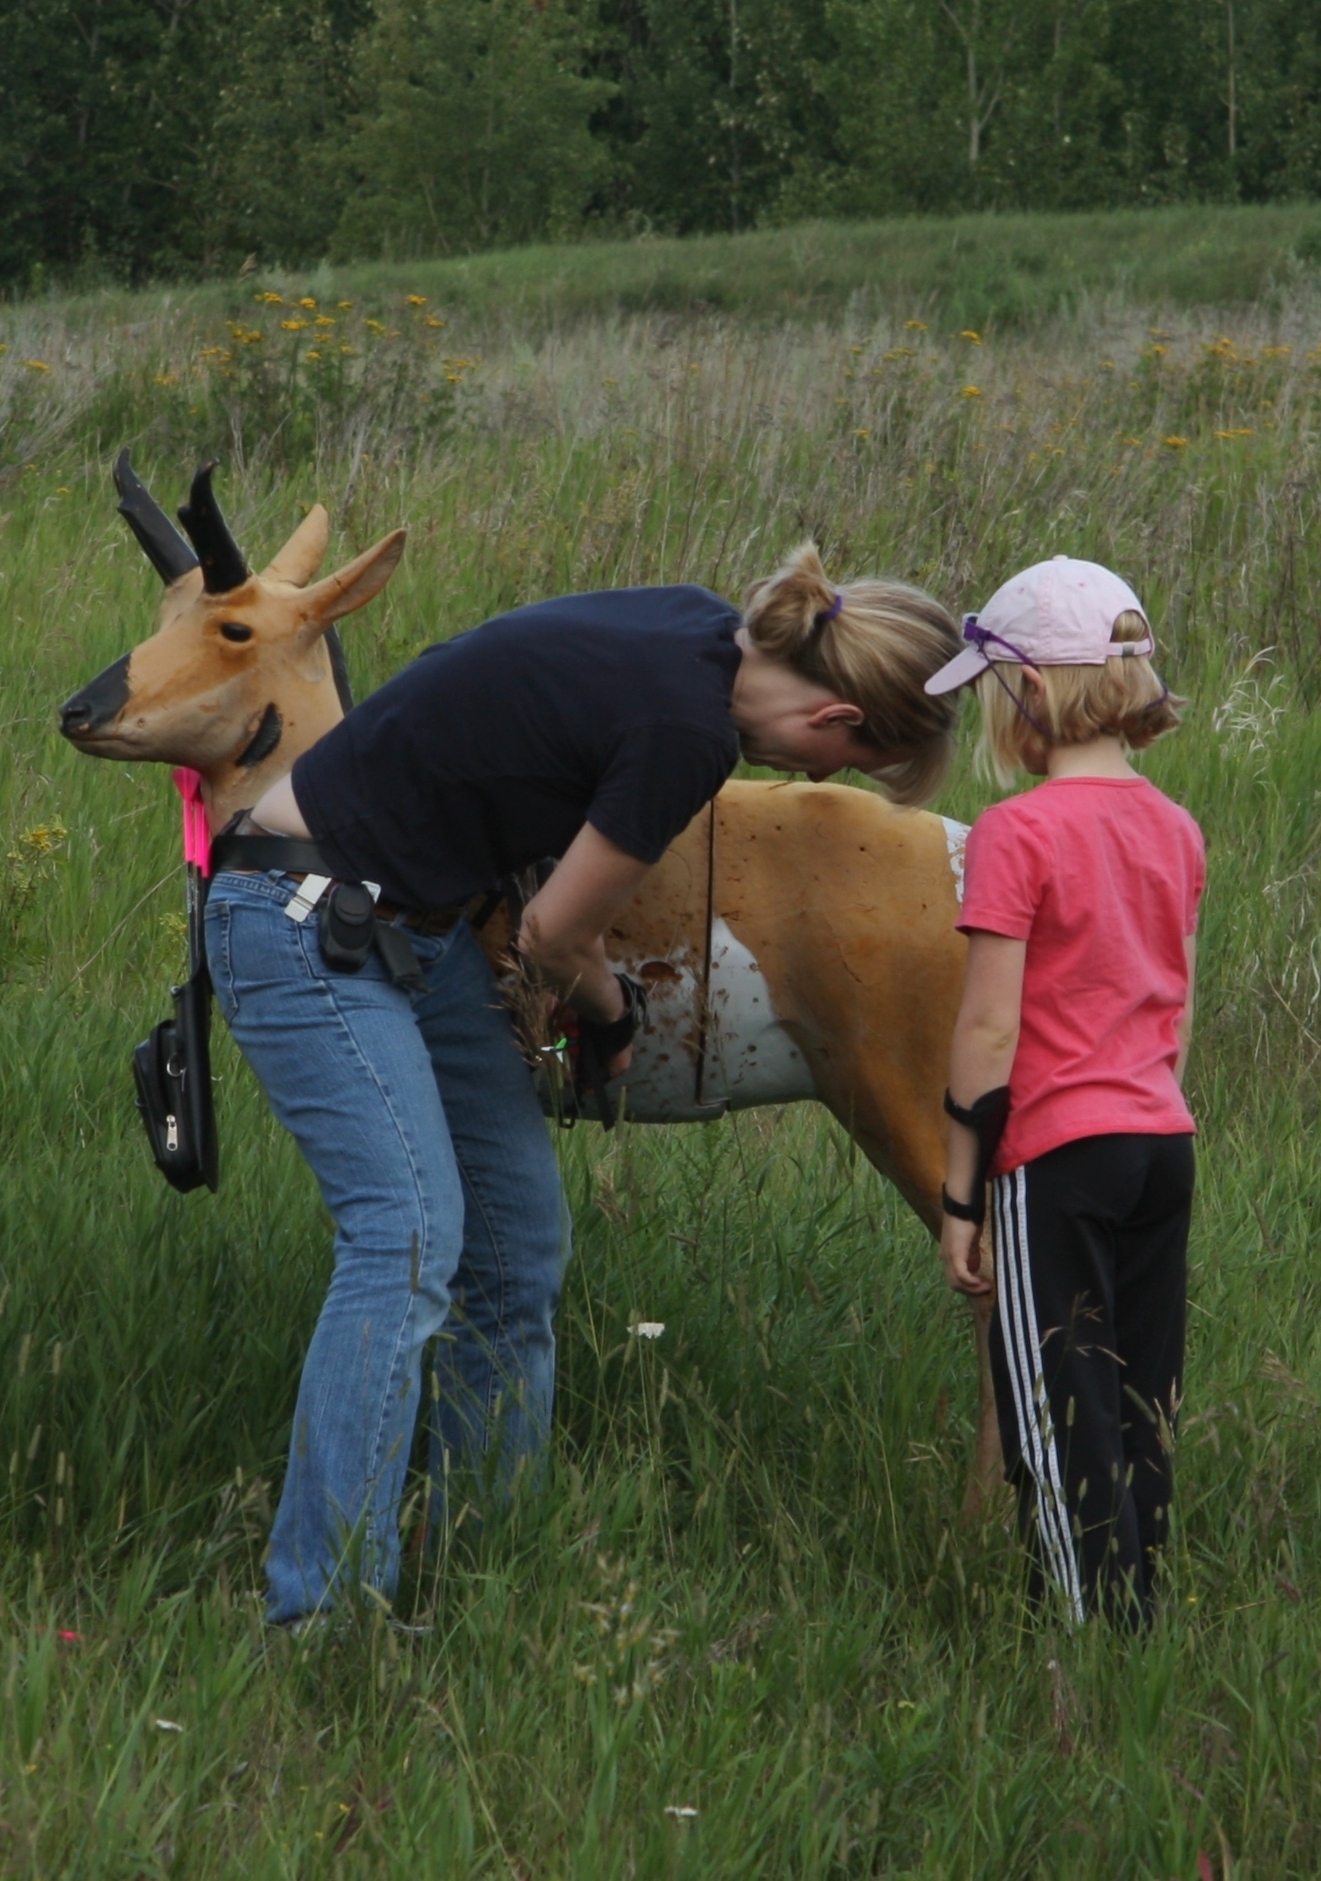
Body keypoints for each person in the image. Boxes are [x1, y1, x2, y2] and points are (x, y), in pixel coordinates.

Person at [204, 542, 962, 1627]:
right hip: (298, 921)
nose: (816, 783)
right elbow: (561, 934)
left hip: (419, 930)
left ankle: (485, 1575)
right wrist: (611, 1015)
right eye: (836, 764)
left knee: (515, 1259)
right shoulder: (688, 733)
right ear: (836, 719)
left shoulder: (694, 627)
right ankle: (321, 1617)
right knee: (406, 1241)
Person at [925, 555, 1203, 1627]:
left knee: (1058, 1402)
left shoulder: (1018, 832)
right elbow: (1170, 1010)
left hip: (1058, 1157)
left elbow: (989, 1026)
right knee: (1140, 1395)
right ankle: (1141, 1609)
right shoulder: (1176, 828)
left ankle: (1086, 1639)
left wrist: (962, 1195)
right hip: (1159, 1146)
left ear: (1029, 694)